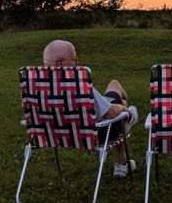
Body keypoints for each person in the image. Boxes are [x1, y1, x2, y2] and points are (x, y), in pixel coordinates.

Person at [42, 39, 139, 178]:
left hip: (52, 134)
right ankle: (122, 158)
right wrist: (125, 109)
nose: (77, 63)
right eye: (74, 59)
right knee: (118, 96)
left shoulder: (34, 87)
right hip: (93, 135)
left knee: (114, 91)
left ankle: (122, 162)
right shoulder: (77, 84)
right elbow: (111, 113)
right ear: (60, 63)